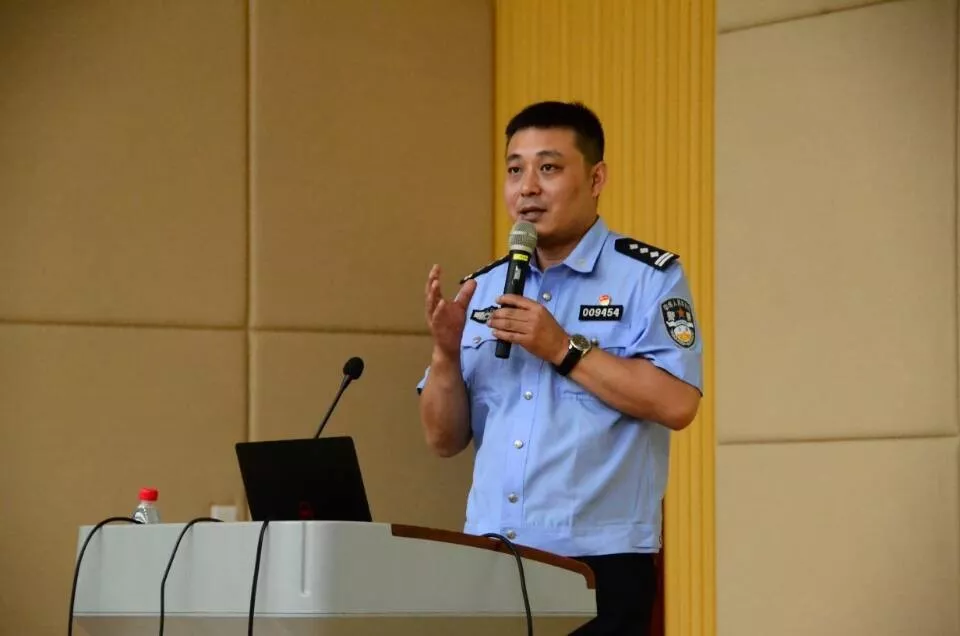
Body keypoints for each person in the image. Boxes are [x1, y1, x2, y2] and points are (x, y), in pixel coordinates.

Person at [417, 101, 702, 635]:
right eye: (514, 169)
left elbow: (678, 402)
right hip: (491, 555)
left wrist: (562, 348)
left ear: (596, 179)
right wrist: (445, 356)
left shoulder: (648, 277)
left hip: (599, 563)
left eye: (548, 168)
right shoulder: (483, 287)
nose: (527, 187)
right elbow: (442, 438)